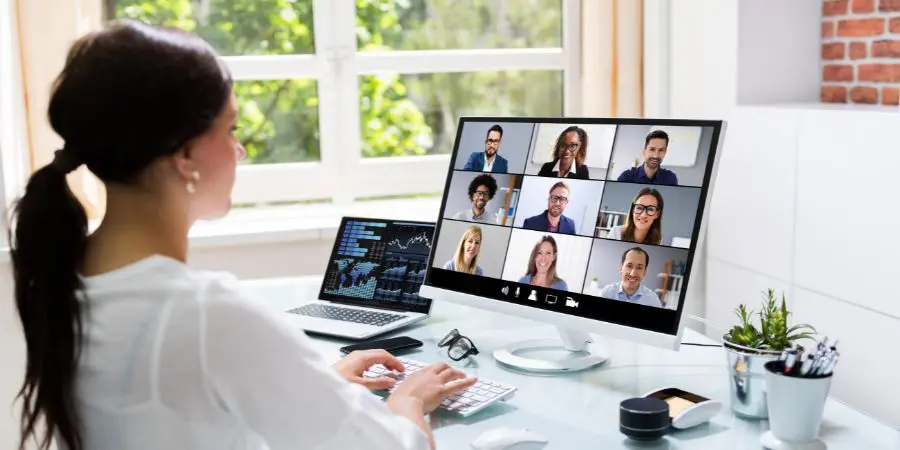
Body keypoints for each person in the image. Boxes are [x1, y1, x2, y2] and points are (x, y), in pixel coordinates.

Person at [9, 20, 476, 450]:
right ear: (185, 154)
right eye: (230, 129)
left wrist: (309, 384)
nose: (241, 151)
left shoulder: (65, 277)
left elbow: (172, 409)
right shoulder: (204, 314)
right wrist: (408, 403)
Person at [597, 247, 662, 308]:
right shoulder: (606, 293)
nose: (633, 274)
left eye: (639, 268)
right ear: (621, 268)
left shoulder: (653, 300)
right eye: (629, 266)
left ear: (645, 271)